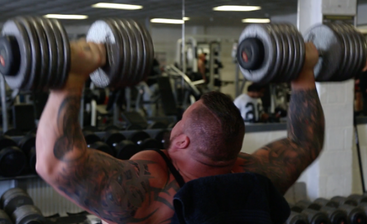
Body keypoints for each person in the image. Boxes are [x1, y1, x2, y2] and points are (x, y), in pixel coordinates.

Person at [36, 40, 324, 223]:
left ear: (182, 139)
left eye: (182, 118)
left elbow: (55, 164)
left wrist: (72, 76)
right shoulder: (255, 178)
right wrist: (303, 73)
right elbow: (305, 141)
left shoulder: (153, 187)